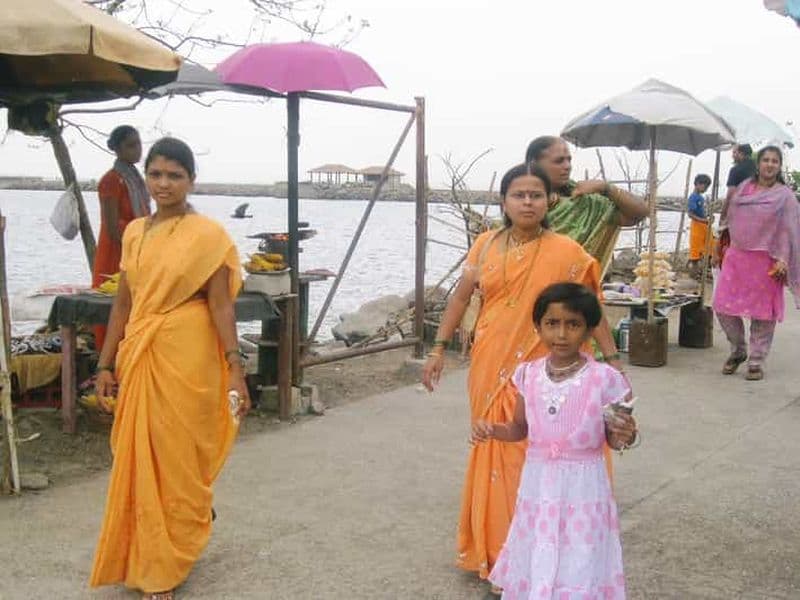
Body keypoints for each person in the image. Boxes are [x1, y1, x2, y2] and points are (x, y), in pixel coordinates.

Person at [422, 162, 623, 585]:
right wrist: (437, 348)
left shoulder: (567, 251)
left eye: (536, 194)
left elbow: (591, 307)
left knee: (532, 452)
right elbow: (460, 300)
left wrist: (611, 357)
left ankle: (542, 558)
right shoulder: (484, 246)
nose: (527, 202)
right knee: (493, 446)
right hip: (490, 361)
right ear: (504, 201)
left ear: (549, 200)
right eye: (519, 194)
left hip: (547, 367)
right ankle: (496, 554)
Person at [89, 137, 251, 600]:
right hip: (141, 350)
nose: (164, 183)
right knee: (138, 457)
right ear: (148, 177)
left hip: (188, 356)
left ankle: (168, 559)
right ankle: (146, 553)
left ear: (190, 181)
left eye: (174, 175)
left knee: (178, 459)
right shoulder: (136, 232)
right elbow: (123, 302)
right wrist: (104, 365)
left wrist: (235, 368)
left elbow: (221, 306)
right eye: (156, 174)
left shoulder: (209, 236)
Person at [472, 283, 637, 598]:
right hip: (539, 488)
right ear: (538, 327)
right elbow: (519, 428)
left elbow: (617, 439)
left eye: (573, 324)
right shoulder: (528, 375)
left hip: (585, 491)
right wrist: (492, 429)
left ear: (588, 330)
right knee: (540, 552)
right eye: (552, 324)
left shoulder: (607, 380)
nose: (561, 334)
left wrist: (626, 435)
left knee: (581, 558)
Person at [713, 145, 800, 381]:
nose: (770, 164)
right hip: (737, 256)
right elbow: (730, 219)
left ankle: (756, 360)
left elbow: (790, 231)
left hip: (767, 260)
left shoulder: (785, 197)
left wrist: (783, 259)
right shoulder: (743, 189)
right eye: (766, 160)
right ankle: (738, 350)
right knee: (722, 306)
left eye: (775, 161)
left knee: (763, 315)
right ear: (758, 164)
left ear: (779, 166)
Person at [525, 136, 650, 273]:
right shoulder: (519, 204)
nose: (567, 166)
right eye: (559, 161)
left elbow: (639, 213)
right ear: (534, 164)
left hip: (574, 289)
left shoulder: (584, 201)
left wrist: (606, 188)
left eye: (569, 160)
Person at [93, 125, 151, 349]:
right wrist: (137, 240)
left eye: (138, 144)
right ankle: (107, 360)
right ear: (117, 149)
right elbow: (112, 226)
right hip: (116, 251)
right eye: (131, 145)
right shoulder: (111, 180)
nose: (137, 150)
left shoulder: (136, 179)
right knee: (112, 308)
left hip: (138, 247)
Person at [687, 174, 712, 275]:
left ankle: (704, 270)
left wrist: (707, 217)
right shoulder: (693, 197)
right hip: (697, 225)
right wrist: (703, 220)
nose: (705, 189)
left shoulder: (700, 197)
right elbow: (690, 214)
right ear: (697, 184)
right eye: (704, 187)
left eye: (707, 187)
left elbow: (702, 212)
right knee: (695, 250)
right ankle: (694, 272)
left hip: (703, 225)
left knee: (710, 246)